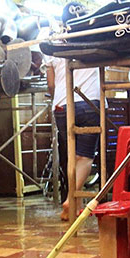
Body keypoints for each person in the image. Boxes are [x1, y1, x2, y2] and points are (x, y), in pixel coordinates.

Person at [45, 55, 104, 221]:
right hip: (89, 102)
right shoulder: (91, 37)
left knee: (72, 154)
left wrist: (59, 98)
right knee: (84, 156)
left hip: (62, 105)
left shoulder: (51, 43)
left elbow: (51, 84)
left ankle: (75, 203)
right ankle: (71, 198)